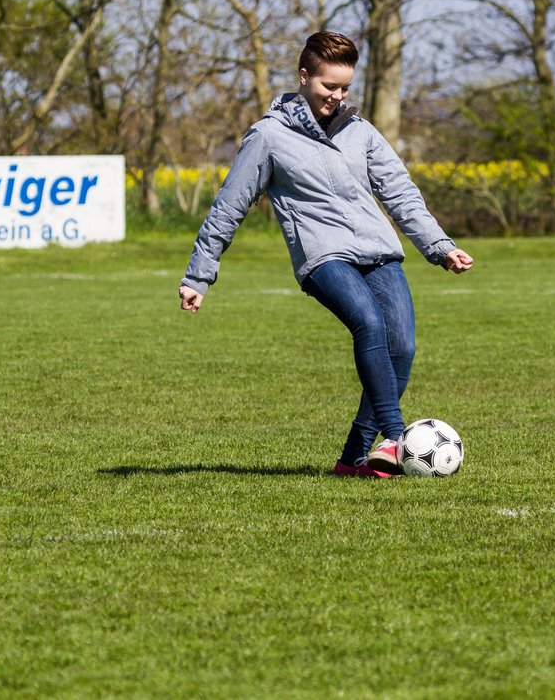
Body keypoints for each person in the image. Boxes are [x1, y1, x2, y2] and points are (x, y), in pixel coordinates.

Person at [178, 31, 473, 478]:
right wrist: (199, 276)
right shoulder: (268, 136)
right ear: (304, 76)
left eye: (344, 87)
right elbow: (229, 206)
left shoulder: (360, 131)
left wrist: (440, 247)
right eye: (328, 86)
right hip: (322, 257)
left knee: (402, 347)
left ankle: (355, 456)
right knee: (368, 323)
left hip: (377, 251)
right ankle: (395, 439)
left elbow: (400, 193)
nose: (337, 96)